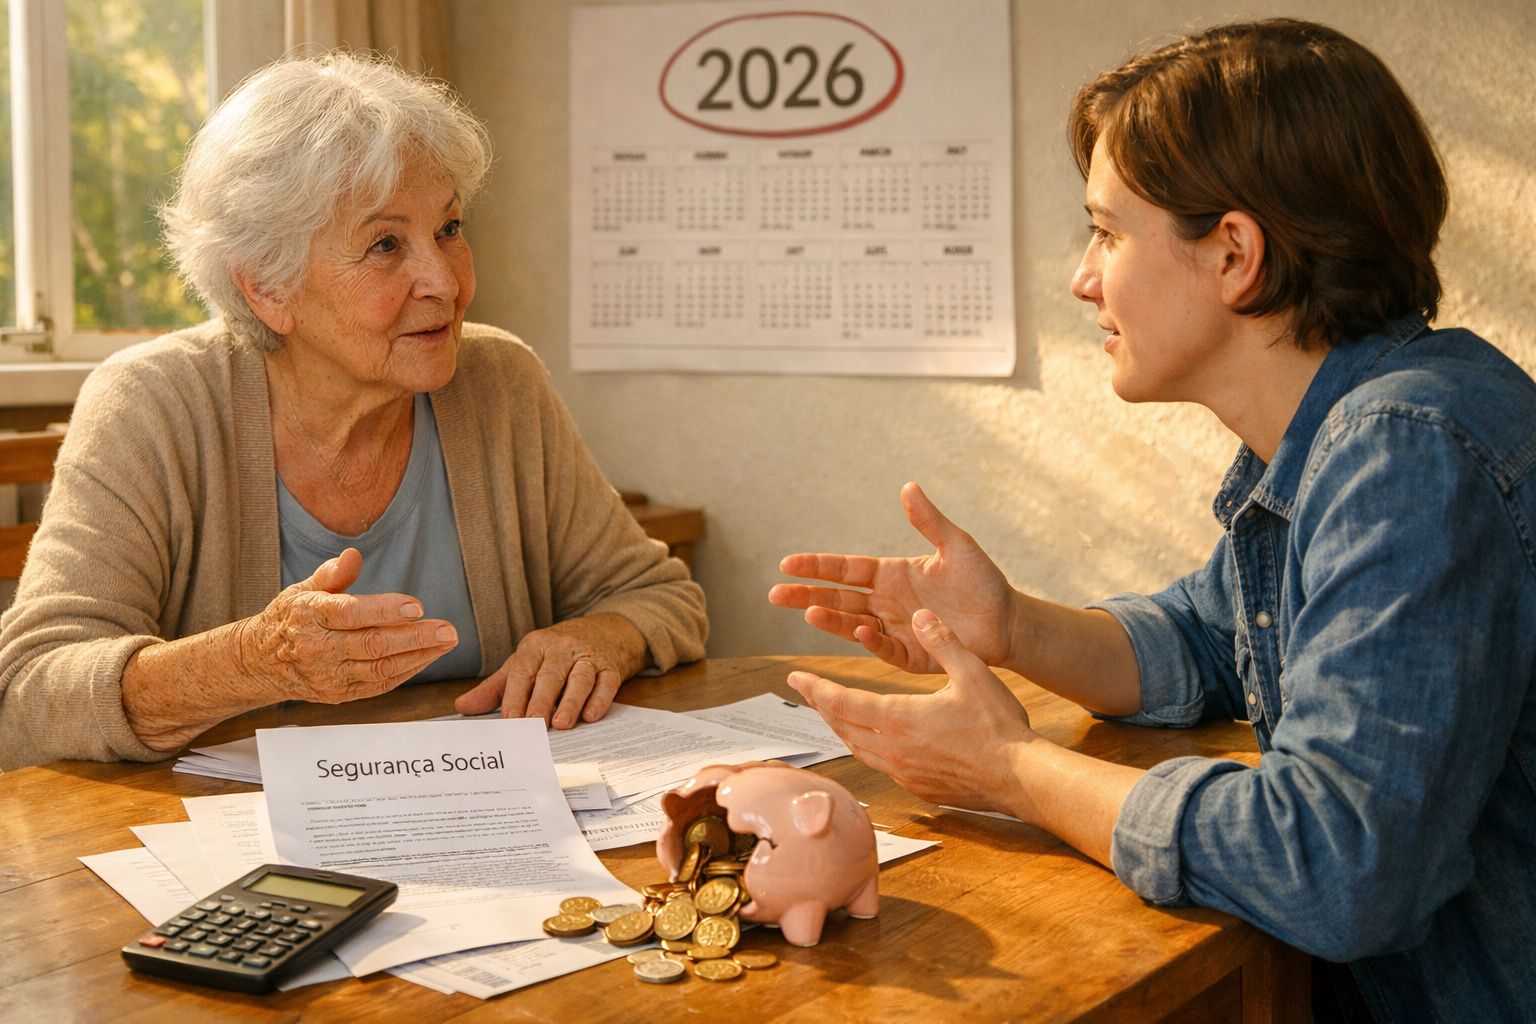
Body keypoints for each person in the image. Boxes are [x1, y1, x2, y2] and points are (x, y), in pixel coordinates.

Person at [770, 19, 1534, 1022]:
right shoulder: (1352, 424)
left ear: (1233, 255)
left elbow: (1340, 866)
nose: (1084, 278)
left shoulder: (1404, 446)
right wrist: (1007, 626)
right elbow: (1211, 637)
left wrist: (1013, 769)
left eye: (1107, 230)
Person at [0, 52, 706, 772]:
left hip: (485, 823)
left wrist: (601, 637)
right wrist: (250, 664)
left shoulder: (499, 382)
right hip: (233, 851)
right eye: (385, 244)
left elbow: (655, 595)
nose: (443, 282)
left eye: (450, 229)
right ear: (267, 287)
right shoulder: (153, 405)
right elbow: (30, 694)